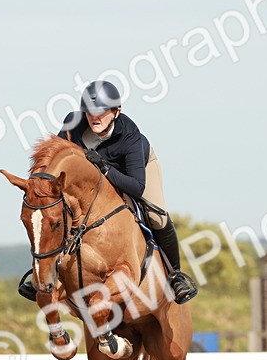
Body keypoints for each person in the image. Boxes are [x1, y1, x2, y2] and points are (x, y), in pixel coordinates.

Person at [17, 80, 198, 305]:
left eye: (102, 112)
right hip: (96, 180)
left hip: (137, 170)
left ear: (115, 111)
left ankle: (175, 276)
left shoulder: (130, 136)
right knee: (52, 215)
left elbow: (135, 186)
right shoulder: (73, 125)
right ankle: (44, 271)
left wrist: (103, 167)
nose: (95, 117)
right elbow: (57, 160)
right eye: (91, 112)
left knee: (156, 216)